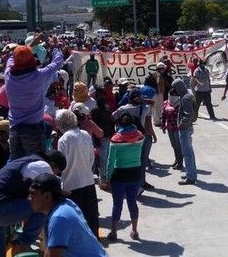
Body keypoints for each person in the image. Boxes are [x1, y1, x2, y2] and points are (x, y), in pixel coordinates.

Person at [0, 155, 60, 257]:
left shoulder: (27, 162)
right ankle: (23, 243)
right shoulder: (42, 166)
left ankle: (20, 242)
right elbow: (41, 197)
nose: (54, 174)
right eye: (57, 172)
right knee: (42, 205)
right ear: (53, 165)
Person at [5, 38, 64, 159]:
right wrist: (54, 47)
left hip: (14, 129)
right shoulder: (39, 75)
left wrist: (28, 46)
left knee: (17, 164)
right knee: (35, 165)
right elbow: (57, 61)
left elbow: (12, 58)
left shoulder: (8, 74)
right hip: (33, 130)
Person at [28, 173, 107, 256]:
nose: (29, 198)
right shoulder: (66, 203)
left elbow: (53, 255)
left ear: (47, 196)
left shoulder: (59, 217)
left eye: (33, 194)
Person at [55, 109, 100, 239]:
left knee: (75, 222)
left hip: (71, 185)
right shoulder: (85, 134)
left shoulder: (64, 139)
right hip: (88, 182)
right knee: (91, 219)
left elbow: (62, 164)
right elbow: (91, 159)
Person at [105, 111, 144, 242]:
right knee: (132, 202)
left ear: (119, 123)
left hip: (119, 175)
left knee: (117, 204)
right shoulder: (139, 136)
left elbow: (111, 161)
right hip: (135, 173)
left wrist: (107, 177)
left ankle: (114, 232)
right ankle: (134, 230)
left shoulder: (116, 139)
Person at [173, 79, 198, 185]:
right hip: (187, 127)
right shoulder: (186, 96)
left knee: (187, 152)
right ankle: (191, 172)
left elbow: (188, 114)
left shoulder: (185, 98)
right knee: (189, 152)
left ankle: (191, 177)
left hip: (185, 128)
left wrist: (181, 125)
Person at [162, 88, 183, 170]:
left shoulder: (180, 103)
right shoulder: (166, 103)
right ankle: (177, 160)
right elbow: (163, 115)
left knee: (178, 146)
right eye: (172, 95)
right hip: (170, 127)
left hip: (178, 128)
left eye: (175, 95)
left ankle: (180, 163)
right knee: (174, 145)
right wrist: (163, 125)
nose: (173, 97)